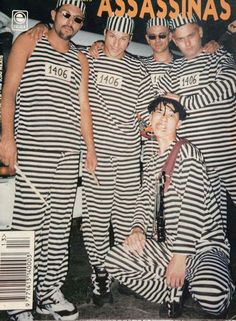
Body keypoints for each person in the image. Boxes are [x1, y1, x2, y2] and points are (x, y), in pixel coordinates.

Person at [0, 0, 96, 320]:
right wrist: (7, 138)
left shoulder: (80, 59)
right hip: (34, 149)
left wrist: (90, 150)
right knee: (27, 226)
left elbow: (83, 109)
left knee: (58, 227)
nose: (70, 22)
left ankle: (48, 294)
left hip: (69, 154)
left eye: (78, 19)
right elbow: (9, 92)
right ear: (54, 15)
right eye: (66, 14)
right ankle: (14, 299)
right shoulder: (28, 41)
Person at [105, 96, 235, 319]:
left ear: (179, 123)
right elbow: (144, 199)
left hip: (203, 248)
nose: (163, 119)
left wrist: (180, 257)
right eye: (158, 112)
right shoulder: (151, 156)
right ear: (150, 118)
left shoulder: (188, 153)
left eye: (170, 114)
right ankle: (177, 288)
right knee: (115, 259)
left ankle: (212, 285)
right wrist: (137, 228)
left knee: (212, 298)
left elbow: (193, 209)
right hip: (168, 246)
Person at [79, 13, 155, 307]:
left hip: (127, 156)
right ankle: (100, 274)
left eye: (124, 39)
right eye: (112, 36)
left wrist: (147, 130)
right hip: (96, 154)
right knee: (96, 219)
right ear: (105, 32)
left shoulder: (137, 68)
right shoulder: (89, 57)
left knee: (125, 218)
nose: (117, 44)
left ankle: (125, 272)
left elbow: (143, 113)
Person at [156, 13, 236, 207]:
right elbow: (161, 105)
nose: (188, 43)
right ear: (173, 40)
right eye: (181, 39)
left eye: (191, 35)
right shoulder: (172, 72)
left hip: (229, 156)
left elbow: (230, 82)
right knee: (211, 223)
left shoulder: (217, 55)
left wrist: (184, 101)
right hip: (196, 161)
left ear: (200, 32)